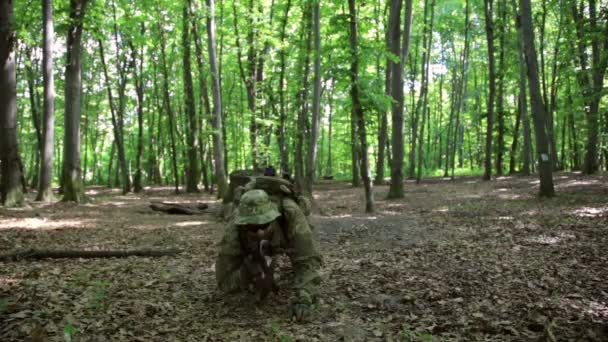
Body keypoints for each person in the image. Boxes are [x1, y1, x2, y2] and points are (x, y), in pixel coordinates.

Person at [215, 188, 321, 321]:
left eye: (265, 225)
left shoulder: (291, 214)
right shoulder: (234, 229)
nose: (259, 232)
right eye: (253, 228)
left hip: (285, 234)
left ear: (273, 217)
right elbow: (223, 281)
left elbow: (308, 260)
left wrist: (304, 298)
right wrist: (246, 273)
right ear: (243, 224)